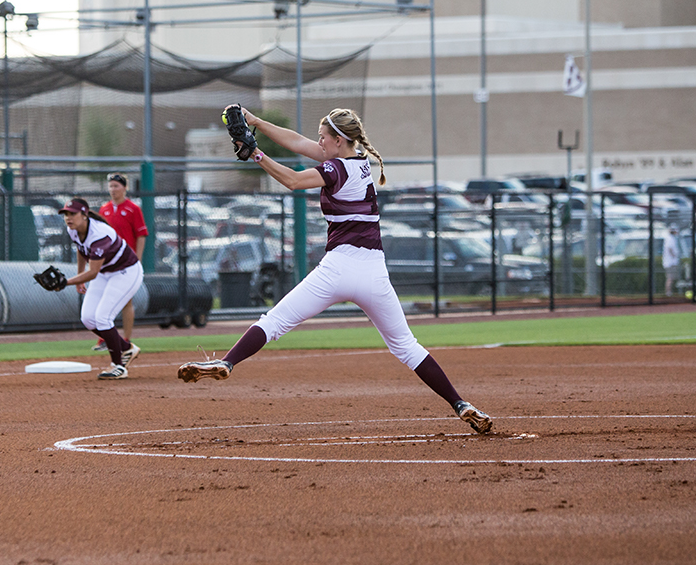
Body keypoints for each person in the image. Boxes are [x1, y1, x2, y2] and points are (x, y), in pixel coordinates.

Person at [177, 106, 493, 435]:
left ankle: (227, 362)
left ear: (339, 141)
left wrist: (256, 153)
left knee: (274, 322)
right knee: (406, 346)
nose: (318, 142)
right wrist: (256, 123)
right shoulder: (358, 165)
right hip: (373, 273)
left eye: (324, 138)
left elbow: (294, 181)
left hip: (338, 268)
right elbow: (298, 143)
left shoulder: (335, 169)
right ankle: (460, 404)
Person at [58, 197, 143, 380]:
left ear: (85, 214)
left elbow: (93, 272)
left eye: (72, 214)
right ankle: (127, 349)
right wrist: (79, 277)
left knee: (103, 318)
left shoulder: (100, 234)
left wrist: (66, 282)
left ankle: (118, 366)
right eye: (65, 214)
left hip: (126, 272)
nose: (68, 218)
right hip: (106, 273)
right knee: (88, 319)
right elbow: (82, 250)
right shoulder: (73, 230)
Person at [89, 173, 148, 353]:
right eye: (111, 186)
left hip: (126, 262)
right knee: (102, 301)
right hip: (107, 263)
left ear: (124, 188)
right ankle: (105, 338)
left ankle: (126, 338)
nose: (113, 189)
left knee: (125, 302)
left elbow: (141, 235)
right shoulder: (104, 209)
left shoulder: (132, 209)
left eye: (116, 186)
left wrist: (137, 259)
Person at [662, 225, 681, 297]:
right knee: (670, 278)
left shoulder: (673, 238)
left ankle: (671, 292)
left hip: (673, 262)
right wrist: (674, 256)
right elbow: (669, 248)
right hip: (670, 263)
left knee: (673, 278)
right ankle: (668, 292)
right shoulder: (669, 238)